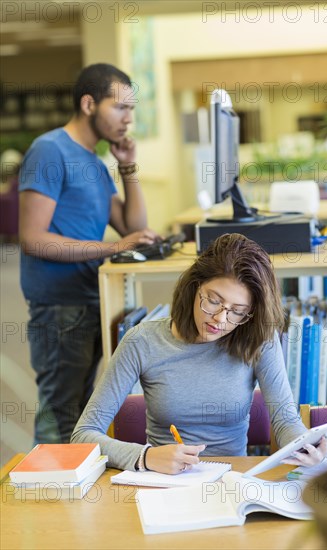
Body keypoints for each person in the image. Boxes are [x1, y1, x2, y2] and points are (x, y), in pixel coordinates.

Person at [71, 233, 327, 473]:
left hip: (232, 482)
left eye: (237, 311)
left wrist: (304, 445)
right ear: (195, 286)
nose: (220, 318)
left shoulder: (259, 338)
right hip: (164, 483)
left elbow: (285, 420)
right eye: (214, 300)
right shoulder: (141, 341)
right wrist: (145, 457)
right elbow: (83, 434)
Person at [19, 63, 158, 444]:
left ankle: (64, 496)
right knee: (60, 416)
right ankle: (43, 498)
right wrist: (114, 247)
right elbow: (33, 238)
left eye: (132, 109)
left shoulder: (95, 163)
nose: (128, 119)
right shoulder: (49, 150)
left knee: (81, 415)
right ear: (88, 104)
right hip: (59, 307)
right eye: (120, 108)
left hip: (90, 299)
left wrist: (127, 167)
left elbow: (131, 226)